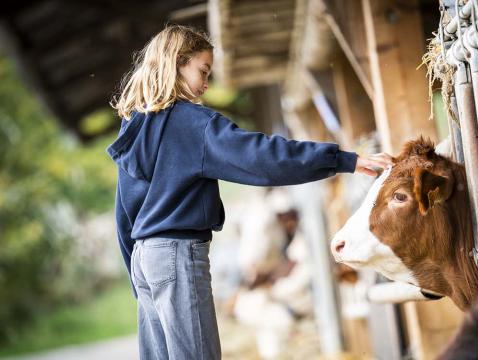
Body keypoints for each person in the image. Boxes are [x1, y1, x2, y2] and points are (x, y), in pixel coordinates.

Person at [106, 24, 392, 360]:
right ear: (177, 63)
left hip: (144, 258)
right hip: (175, 253)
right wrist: (345, 159)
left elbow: (124, 211)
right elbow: (263, 157)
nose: (207, 84)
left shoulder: (136, 127)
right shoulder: (191, 124)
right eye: (203, 70)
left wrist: (139, 272)